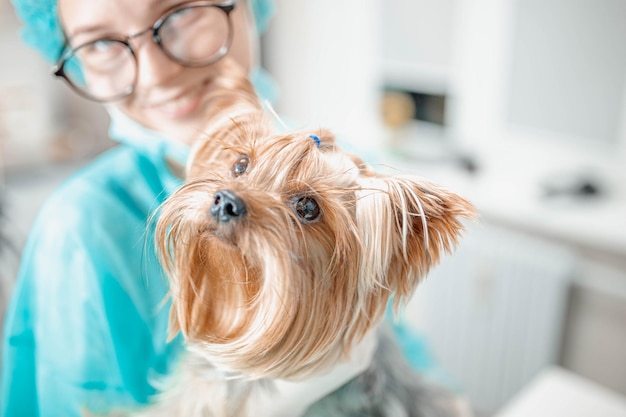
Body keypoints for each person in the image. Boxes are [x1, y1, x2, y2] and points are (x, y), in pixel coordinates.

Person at [2, 1, 443, 416]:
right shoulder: (80, 227)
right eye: (100, 43)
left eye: (180, 12)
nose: (156, 75)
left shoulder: (363, 189)